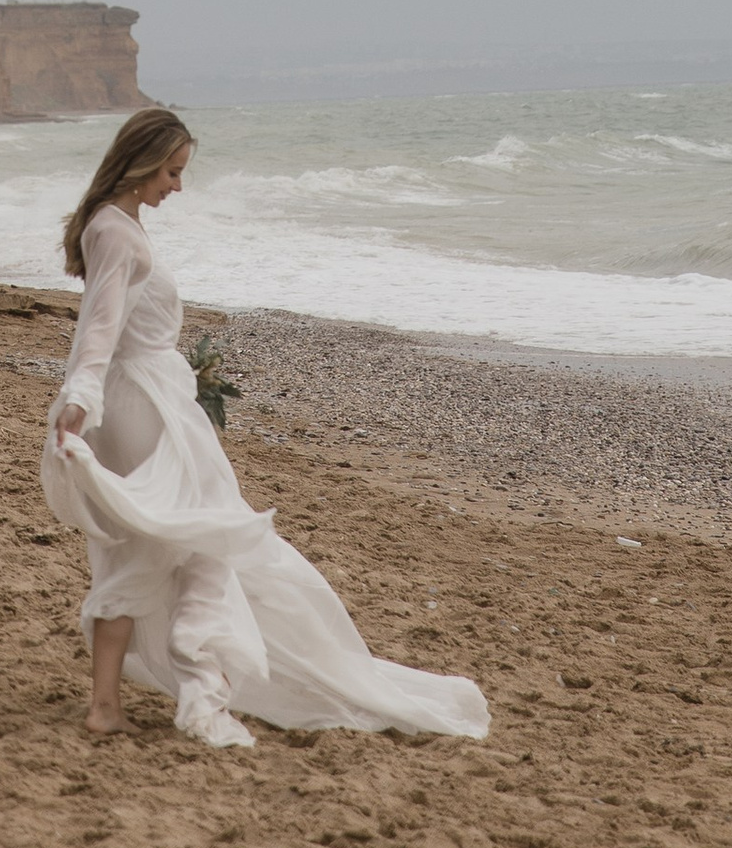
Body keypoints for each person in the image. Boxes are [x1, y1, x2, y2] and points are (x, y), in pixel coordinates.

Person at [41, 104, 490, 750]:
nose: (177, 186)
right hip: (141, 404)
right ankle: (138, 696)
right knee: (169, 543)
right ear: (141, 163)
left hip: (149, 396)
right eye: (171, 172)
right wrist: (80, 402)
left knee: (170, 543)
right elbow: (100, 328)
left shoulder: (119, 223)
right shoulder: (114, 231)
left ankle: (148, 693)